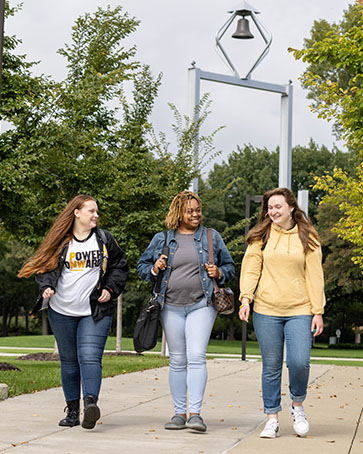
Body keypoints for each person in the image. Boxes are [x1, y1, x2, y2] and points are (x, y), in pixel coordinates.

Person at [18, 195, 129, 430]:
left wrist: (110, 289)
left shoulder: (104, 239)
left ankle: (91, 405)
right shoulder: (61, 241)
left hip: (94, 310)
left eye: (97, 211)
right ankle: (72, 412)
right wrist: (46, 287)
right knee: (69, 362)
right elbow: (44, 267)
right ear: (77, 212)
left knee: (89, 356)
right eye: (91, 211)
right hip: (61, 310)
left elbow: (120, 266)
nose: (96, 215)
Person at [137, 190, 235, 432]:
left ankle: (195, 414)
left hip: (201, 304)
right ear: (178, 213)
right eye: (190, 211)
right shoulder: (163, 239)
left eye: (198, 210)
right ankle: (179, 413)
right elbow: (142, 267)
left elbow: (230, 266)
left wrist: (219, 273)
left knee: (197, 356)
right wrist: (155, 268)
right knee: (178, 360)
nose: (195, 215)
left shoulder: (212, 237)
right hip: (170, 306)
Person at [239, 187, 325, 439]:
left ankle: (297, 406)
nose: (272, 211)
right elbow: (251, 269)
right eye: (269, 207)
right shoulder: (260, 236)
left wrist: (317, 311)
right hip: (266, 310)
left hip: (300, 309)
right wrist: (246, 299)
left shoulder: (308, 236)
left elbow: (315, 275)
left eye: (277, 206)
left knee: (299, 362)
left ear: (291, 208)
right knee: (272, 366)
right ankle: (272, 418)